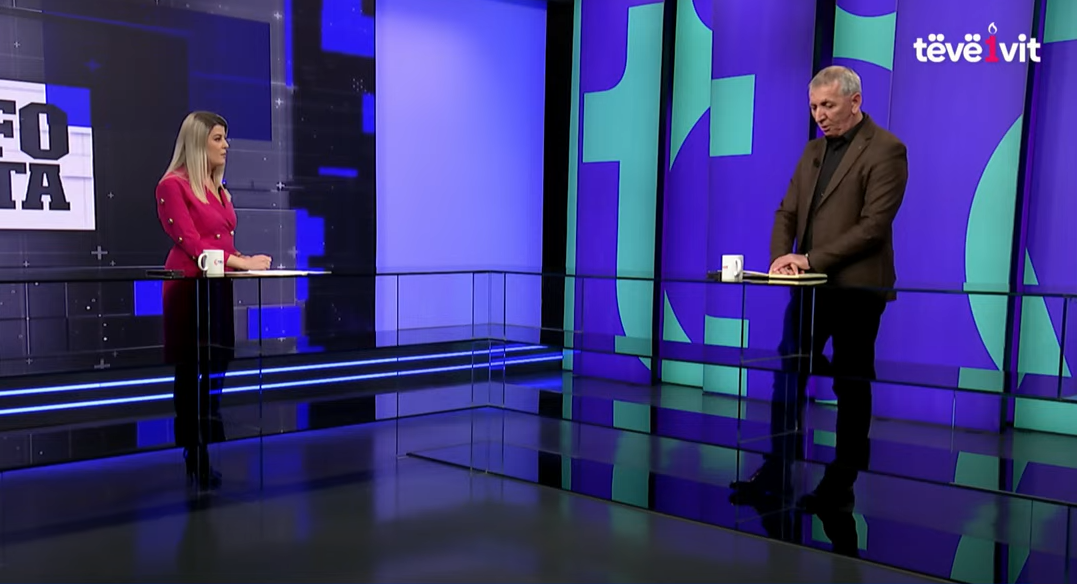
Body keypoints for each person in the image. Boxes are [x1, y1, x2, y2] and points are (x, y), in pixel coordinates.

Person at [730, 66, 908, 512]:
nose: (819, 115)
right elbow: (786, 212)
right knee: (788, 372)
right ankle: (777, 466)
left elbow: (873, 227)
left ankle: (841, 481)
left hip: (856, 291)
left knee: (851, 382)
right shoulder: (812, 150)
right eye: (813, 107)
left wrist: (808, 259)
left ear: (855, 101)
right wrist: (780, 259)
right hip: (809, 291)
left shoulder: (887, 149)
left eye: (827, 105)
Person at [156, 111, 271, 490]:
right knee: (191, 369)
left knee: (218, 362)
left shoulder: (219, 188)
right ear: (197, 142)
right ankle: (194, 452)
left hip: (217, 286)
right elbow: (193, 244)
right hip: (188, 287)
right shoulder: (172, 186)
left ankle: (206, 440)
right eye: (218, 138)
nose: (226, 145)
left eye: (225, 137)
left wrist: (244, 260)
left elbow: (223, 242)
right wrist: (244, 263)